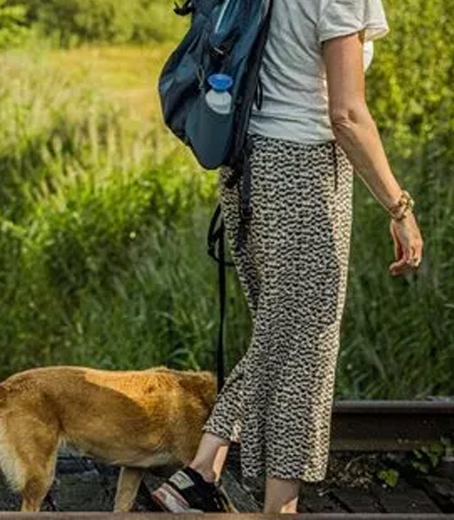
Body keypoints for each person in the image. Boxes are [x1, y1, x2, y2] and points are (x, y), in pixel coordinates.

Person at [152, 0, 424, 514]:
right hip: (302, 171)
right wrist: (399, 205)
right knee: (299, 340)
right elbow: (345, 113)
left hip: (246, 166)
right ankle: (202, 469)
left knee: (293, 351)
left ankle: (279, 503)